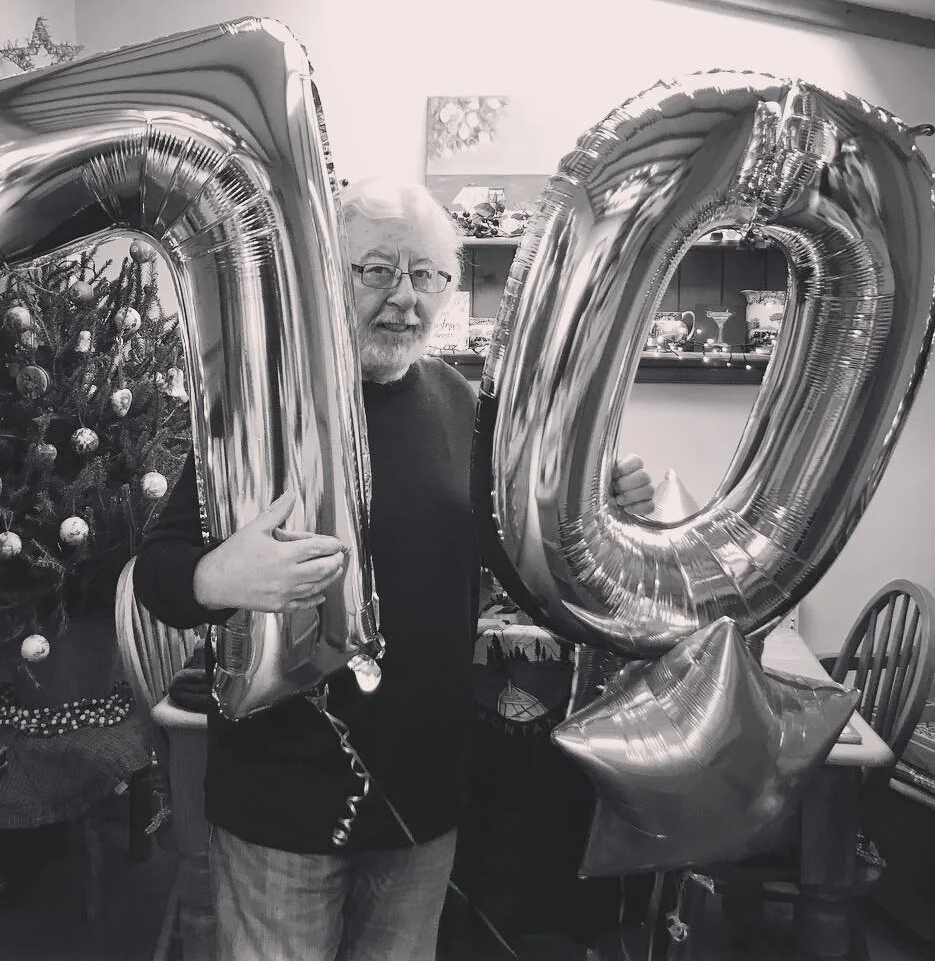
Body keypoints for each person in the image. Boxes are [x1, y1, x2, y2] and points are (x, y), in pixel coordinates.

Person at [133, 178, 654, 961]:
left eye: (428, 275)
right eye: (376, 271)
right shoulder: (261, 407)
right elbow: (157, 572)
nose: (405, 299)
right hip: (281, 798)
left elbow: (523, 568)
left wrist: (599, 512)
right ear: (325, 277)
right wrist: (218, 579)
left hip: (422, 797)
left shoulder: (465, 409)